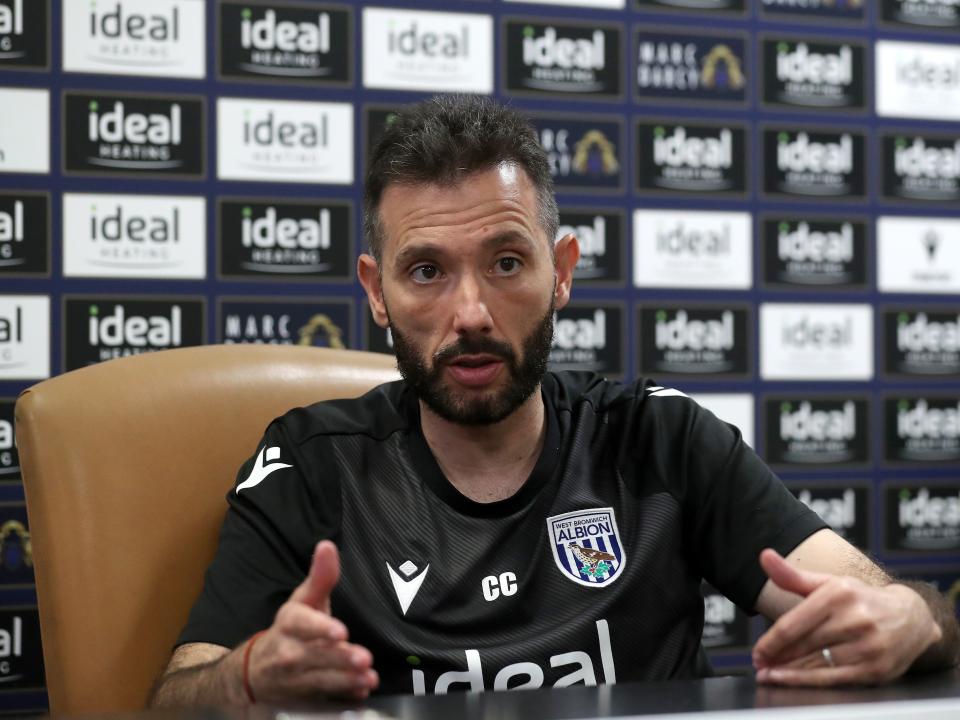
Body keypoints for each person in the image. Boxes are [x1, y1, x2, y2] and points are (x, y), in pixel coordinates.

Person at [150, 95, 960, 707]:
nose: (470, 314)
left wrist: (914, 622)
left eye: (506, 262)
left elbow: (885, 602)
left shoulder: (659, 438)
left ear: (563, 269)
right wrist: (250, 677)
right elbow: (176, 696)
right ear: (377, 292)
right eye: (427, 271)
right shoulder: (312, 464)